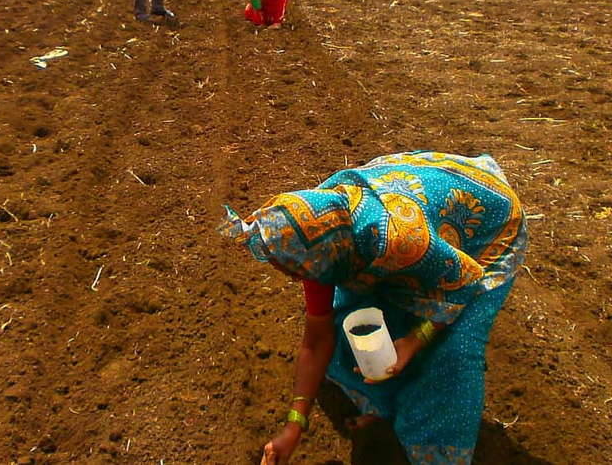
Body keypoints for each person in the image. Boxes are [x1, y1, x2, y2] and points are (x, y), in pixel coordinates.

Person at [218, 151, 528, 465]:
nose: (290, 277)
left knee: (453, 352)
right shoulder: (318, 238)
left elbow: (463, 283)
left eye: (291, 270)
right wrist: (294, 427)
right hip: (421, 217)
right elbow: (317, 338)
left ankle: (435, 451)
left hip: (489, 229)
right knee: (351, 321)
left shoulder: (399, 240)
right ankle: (389, 408)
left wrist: (413, 341)